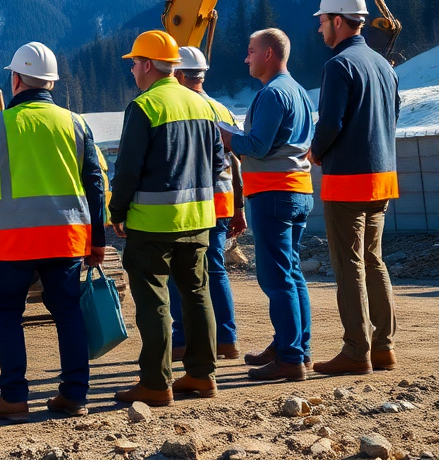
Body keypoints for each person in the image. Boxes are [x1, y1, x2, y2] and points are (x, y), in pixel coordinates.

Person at [0, 42, 107, 420]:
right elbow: (94, 182)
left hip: (14, 241)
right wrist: (98, 240)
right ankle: (74, 395)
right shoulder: (75, 123)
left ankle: (13, 398)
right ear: (51, 83)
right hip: (67, 238)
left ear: (16, 80)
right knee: (68, 312)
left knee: (8, 312)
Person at [110, 31, 224, 407]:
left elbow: (127, 170)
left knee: (154, 302)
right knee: (197, 295)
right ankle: (202, 375)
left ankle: (156, 384)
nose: (131, 71)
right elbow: (219, 163)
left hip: (153, 224)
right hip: (199, 220)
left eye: (133, 64)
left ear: (146, 65)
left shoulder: (144, 107)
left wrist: (117, 211)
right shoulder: (203, 105)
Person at [308, 0, 400, 376]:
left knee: (349, 265)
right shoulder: (383, 65)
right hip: (382, 178)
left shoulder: (338, 66)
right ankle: (384, 347)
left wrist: (315, 151)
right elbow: (393, 114)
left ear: (340, 20)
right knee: (373, 260)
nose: (320, 29)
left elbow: (330, 123)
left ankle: (355, 350)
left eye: (323, 21)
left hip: (347, 178)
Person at [219, 30, 316, 381]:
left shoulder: (273, 93)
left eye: (251, 51)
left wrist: (228, 137)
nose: (246, 58)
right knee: (291, 273)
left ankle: (290, 357)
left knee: (276, 278)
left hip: (274, 192)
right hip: (297, 189)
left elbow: (257, 146)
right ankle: (295, 348)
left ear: (270, 53)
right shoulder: (299, 92)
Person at [169, 47, 245, 362]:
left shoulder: (180, 108)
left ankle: (184, 338)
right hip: (223, 201)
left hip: (192, 202)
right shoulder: (222, 110)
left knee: (179, 269)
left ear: (177, 74)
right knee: (215, 269)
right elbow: (237, 163)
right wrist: (239, 208)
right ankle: (226, 340)